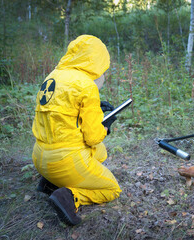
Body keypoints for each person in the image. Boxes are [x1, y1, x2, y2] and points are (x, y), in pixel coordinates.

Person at [32, 35, 121, 226]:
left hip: (40, 157)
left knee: (101, 152)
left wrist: (95, 109)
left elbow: (62, 119)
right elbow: (93, 138)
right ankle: (69, 195)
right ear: (98, 60)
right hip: (66, 161)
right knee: (112, 189)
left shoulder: (52, 77)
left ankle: (49, 181)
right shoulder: (86, 85)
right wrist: (105, 125)